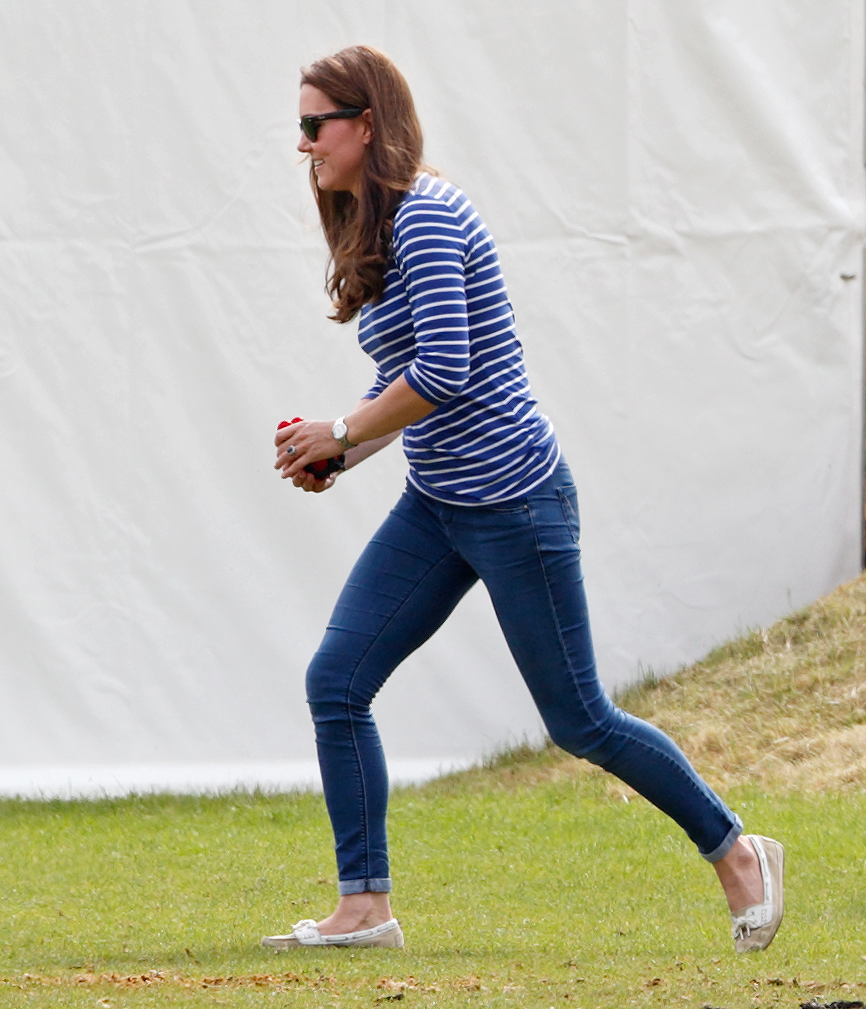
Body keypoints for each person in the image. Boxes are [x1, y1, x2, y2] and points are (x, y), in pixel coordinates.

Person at [260, 46, 783, 953]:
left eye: (314, 125)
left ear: (366, 124)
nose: (302, 144)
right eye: (299, 126)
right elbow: (408, 386)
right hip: (438, 502)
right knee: (337, 683)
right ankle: (364, 906)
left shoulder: (426, 215)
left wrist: (339, 432)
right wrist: (342, 455)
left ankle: (737, 851)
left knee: (579, 719)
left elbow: (448, 374)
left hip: (515, 501)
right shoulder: (380, 224)